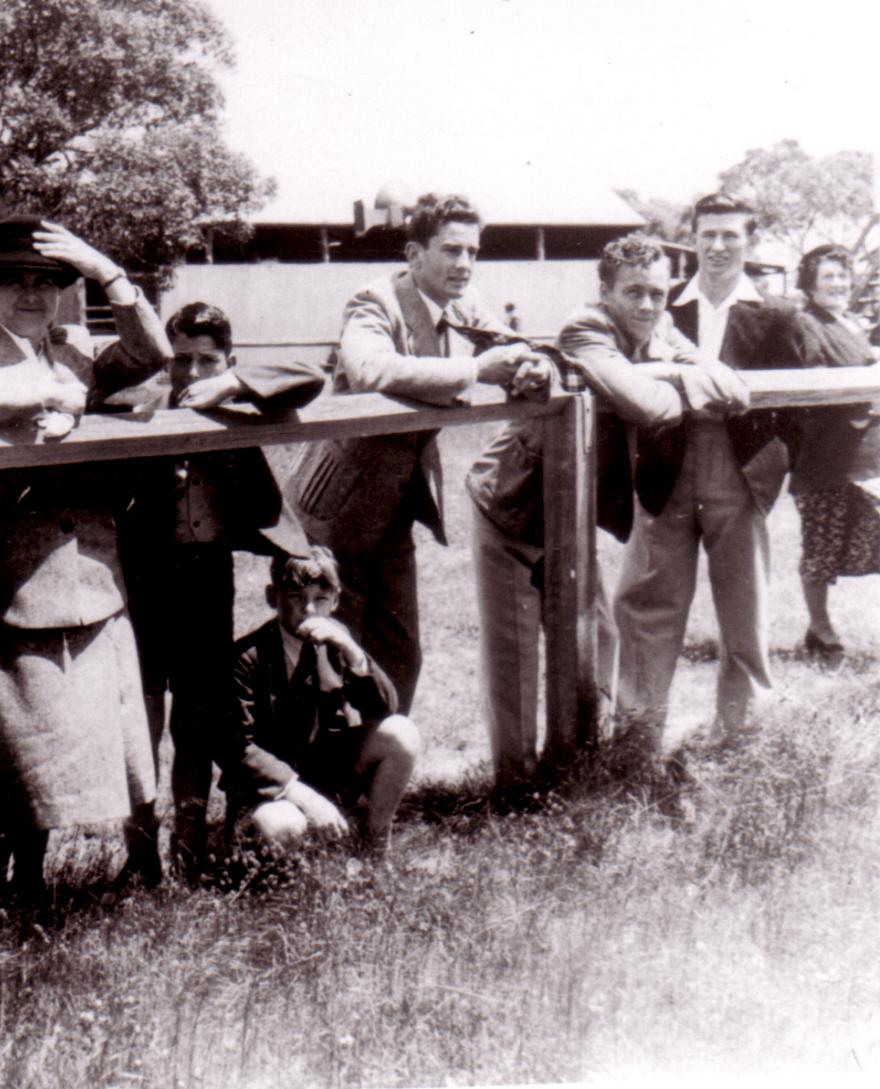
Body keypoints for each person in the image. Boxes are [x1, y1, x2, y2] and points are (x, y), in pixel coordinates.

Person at [0, 214, 169, 901]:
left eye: (46, 283)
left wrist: (107, 272)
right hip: (12, 577)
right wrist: (48, 395)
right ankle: (11, 880)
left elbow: (151, 356)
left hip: (93, 569)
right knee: (28, 733)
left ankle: (139, 866)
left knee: (121, 723)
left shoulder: (75, 350)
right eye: (14, 283)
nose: (32, 296)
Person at [466, 234, 748, 794]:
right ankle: (517, 790)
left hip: (571, 509)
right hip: (512, 505)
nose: (647, 305)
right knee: (517, 657)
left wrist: (669, 369)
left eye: (657, 294)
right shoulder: (584, 330)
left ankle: (578, 769)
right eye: (634, 293)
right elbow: (651, 407)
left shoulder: (659, 326)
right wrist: (675, 377)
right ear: (605, 291)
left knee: (593, 638)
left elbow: (733, 389)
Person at [286, 193, 552, 710]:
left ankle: (379, 777)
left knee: (400, 654)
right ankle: (320, 787)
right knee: (331, 656)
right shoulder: (375, 300)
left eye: (473, 252)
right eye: (452, 250)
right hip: (335, 510)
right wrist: (477, 371)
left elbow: (511, 345)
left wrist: (533, 363)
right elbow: (371, 371)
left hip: (396, 509)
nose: (465, 264)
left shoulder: (461, 302)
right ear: (413, 254)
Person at [115, 302, 322, 876]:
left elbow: (311, 378)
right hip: (145, 579)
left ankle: (190, 844)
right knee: (144, 715)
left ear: (229, 362)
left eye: (208, 360)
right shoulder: (141, 406)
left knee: (199, 715)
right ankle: (140, 851)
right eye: (182, 359)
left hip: (208, 577)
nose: (193, 373)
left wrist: (229, 387)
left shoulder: (236, 403)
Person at [613, 193, 804, 748]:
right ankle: (637, 740)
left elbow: (796, 409)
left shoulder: (776, 314)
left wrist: (765, 476)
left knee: (744, 607)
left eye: (731, 236)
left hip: (738, 471)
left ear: (750, 242)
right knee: (648, 602)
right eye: (708, 235)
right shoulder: (662, 303)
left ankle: (739, 737)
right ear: (692, 238)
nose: (718, 247)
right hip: (666, 462)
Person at [218, 547, 420, 854]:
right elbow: (238, 750)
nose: (309, 610)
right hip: (270, 789)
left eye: (321, 599)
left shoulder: (334, 642)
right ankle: (285, 875)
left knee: (401, 733)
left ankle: (372, 846)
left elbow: (386, 709)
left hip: (324, 768)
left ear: (336, 601)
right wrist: (304, 798)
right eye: (296, 597)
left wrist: (353, 653)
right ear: (273, 597)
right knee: (283, 826)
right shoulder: (247, 658)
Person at [787, 244, 880, 660]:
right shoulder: (805, 324)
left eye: (843, 275)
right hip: (825, 454)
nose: (839, 283)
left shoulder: (851, 323)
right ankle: (820, 629)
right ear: (809, 283)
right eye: (829, 277)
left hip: (865, 456)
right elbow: (812, 384)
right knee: (821, 545)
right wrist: (862, 407)